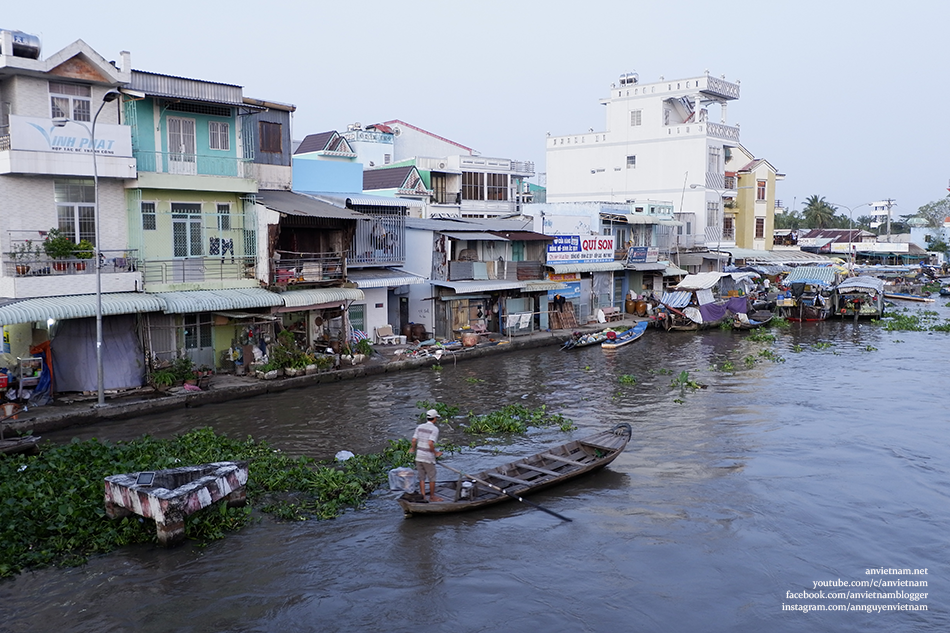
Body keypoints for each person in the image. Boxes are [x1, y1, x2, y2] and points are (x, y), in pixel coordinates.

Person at [411, 409, 443, 501]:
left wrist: (413, 448)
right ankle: (432, 496)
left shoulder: (419, 427)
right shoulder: (434, 429)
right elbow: (430, 443)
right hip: (428, 457)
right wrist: (436, 453)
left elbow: (413, 440)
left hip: (419, 456)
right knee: (432, 477)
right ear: (435, 418)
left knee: (421, 477)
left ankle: (423, 496)